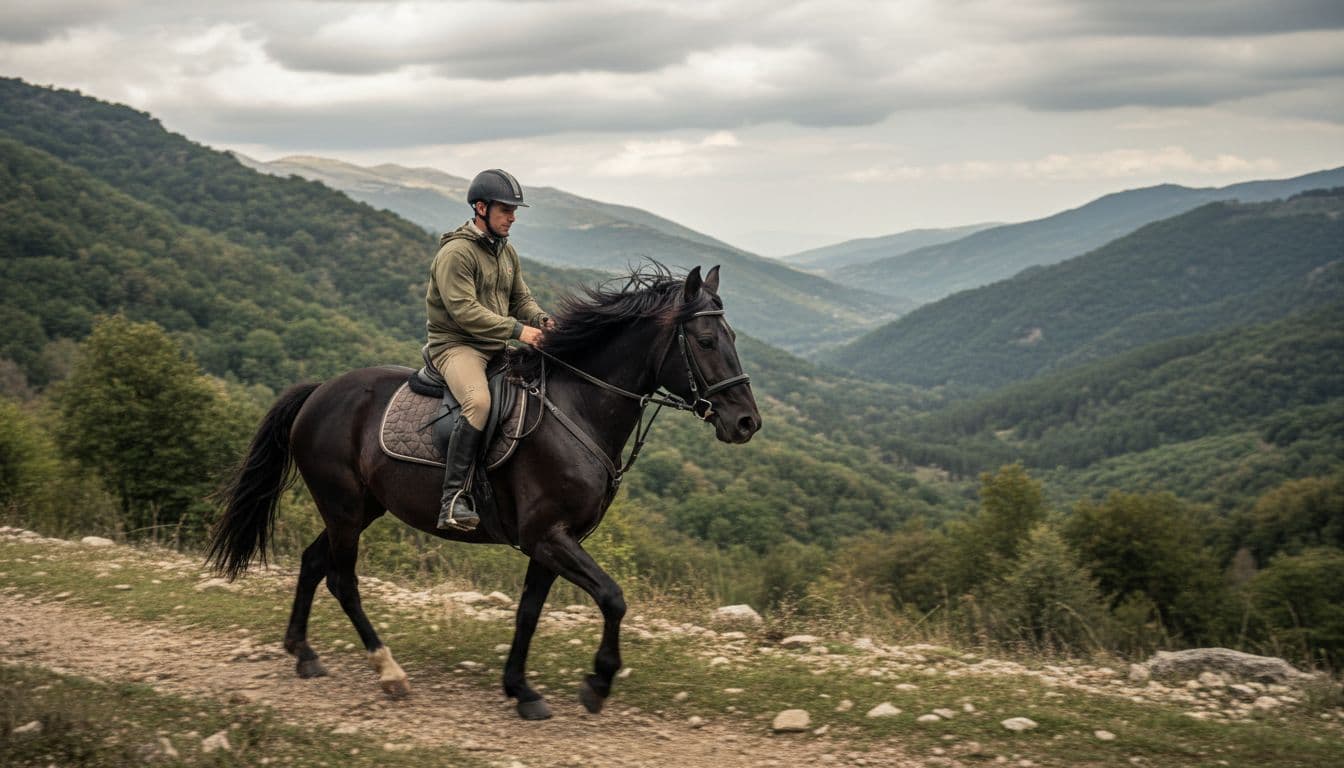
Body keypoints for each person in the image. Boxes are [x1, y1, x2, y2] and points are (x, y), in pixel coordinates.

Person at [424, 168, 552, 531]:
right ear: (481, 208)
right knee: (478, 403)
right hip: (457, 346)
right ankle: (453, 500)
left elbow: (520, 299)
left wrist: (542, 321)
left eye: (514, 211)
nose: (512, 217)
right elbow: (463, 311)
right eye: (505, 210)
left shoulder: (505, 251)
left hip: (494, 345)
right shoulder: (456, 253)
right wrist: (518, 331)